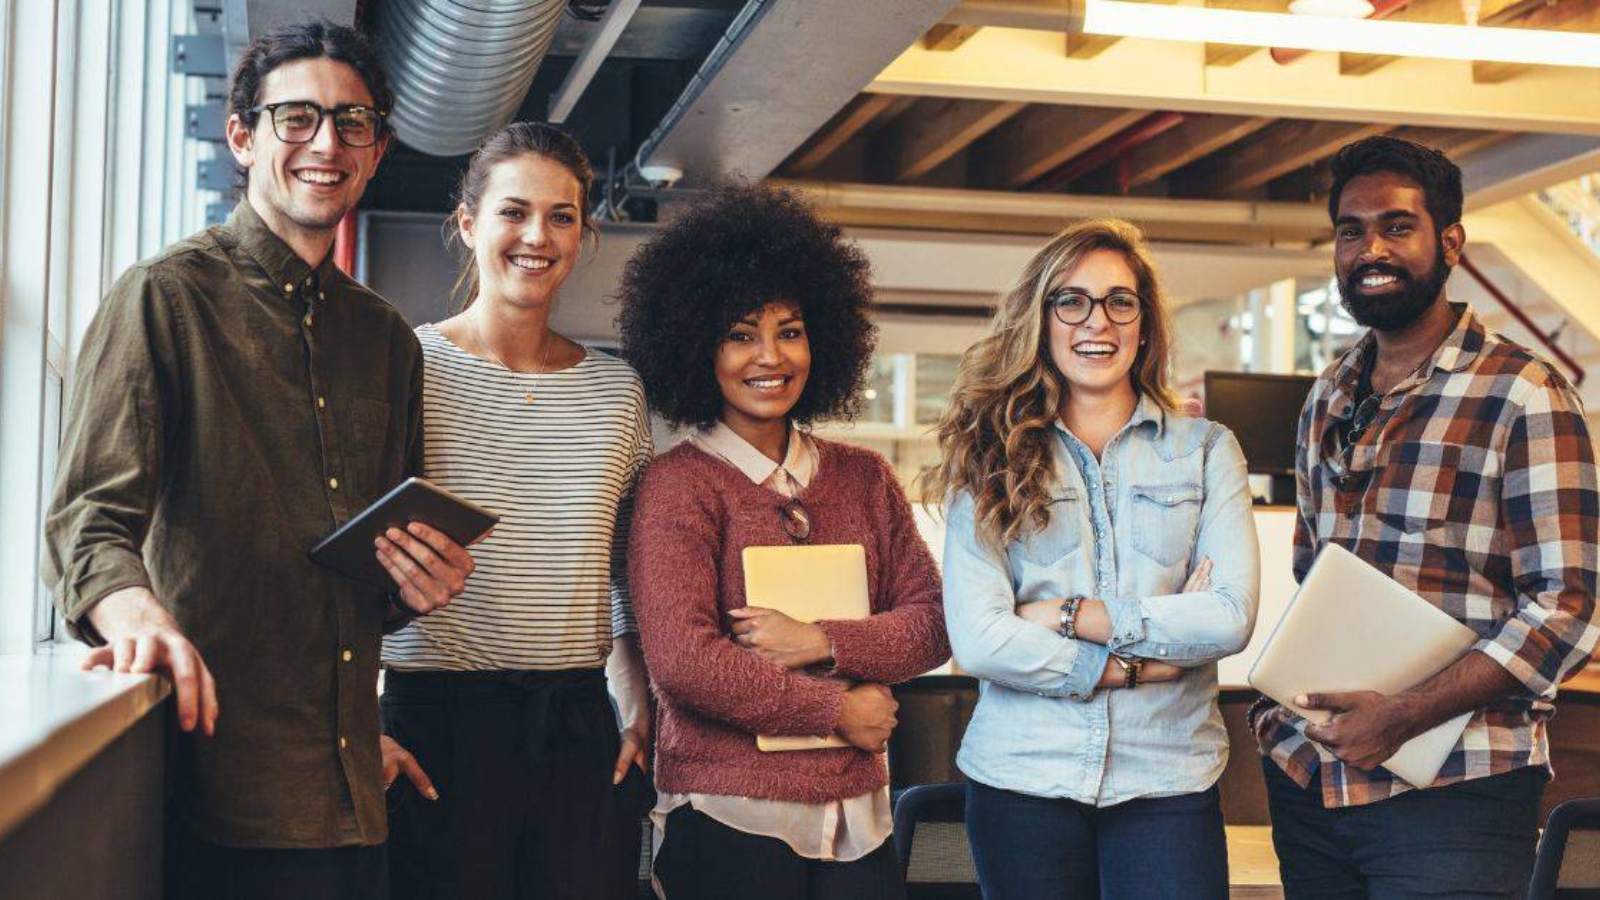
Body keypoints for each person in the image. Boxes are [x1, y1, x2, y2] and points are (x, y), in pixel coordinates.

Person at [42, 21, 476, 900]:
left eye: (354, 123)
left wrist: (416, 580)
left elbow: (366, 579)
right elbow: (89, 520)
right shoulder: (164, 296)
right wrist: (136, 615)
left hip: (356, 791)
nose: (327, 143)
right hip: (219, 793)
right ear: (242, 137)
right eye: (297, 118)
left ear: (378, 149)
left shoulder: (388, 339)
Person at [1252, 135, 1600, 897]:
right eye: (1351, 229)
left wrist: (1403, 715)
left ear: (1450, 242)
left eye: (1396, 226)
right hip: (1310, 780)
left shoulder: (1524, 394)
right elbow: (1315, 576)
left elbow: (1567, 611)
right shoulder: (1328, 397)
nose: (1370, 247)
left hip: (1455, 793)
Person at [618, 183, 951, 899]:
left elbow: (933, 622)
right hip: (729, 816)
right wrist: (837, 709)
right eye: (741, 334)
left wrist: (822, 641)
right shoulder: (680, 486)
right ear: (697, 344)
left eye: (789, 330)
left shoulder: (864, 477)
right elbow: (684, 663)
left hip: (860, 818)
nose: (769, 357)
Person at [924, 218, 1260, 898]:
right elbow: (982, 639)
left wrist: (1072, 614)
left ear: (1143, 323)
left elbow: (1227, 619)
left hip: (1168, 781)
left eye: (1119, 301)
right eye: (1071, 301)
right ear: (1041, 319)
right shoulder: (989, 456)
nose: (1095, 322)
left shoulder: (1204, 449)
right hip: (1022, 782)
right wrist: (1128, 667)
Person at [377, 122, 654, 900]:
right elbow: (342, 560)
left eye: (562, 216)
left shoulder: (615, 391)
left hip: (576, 726)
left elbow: (626, 570)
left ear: (583, 233)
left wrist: (637, 709)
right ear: (468, 224)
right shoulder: (407, 365)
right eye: (513, 211)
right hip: (437, 725)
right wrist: (356, 728)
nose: (537, 236)